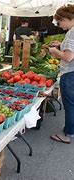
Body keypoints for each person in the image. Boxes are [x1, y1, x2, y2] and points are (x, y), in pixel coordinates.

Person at [49, 4, 74, 144]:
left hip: (69, 73)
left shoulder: (71, 32)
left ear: (65, 18)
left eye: (59, 22)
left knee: (69, 105)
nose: (59, 25)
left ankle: (68, 134)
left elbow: (68, 57)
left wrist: (55, 51)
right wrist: (62, 45)